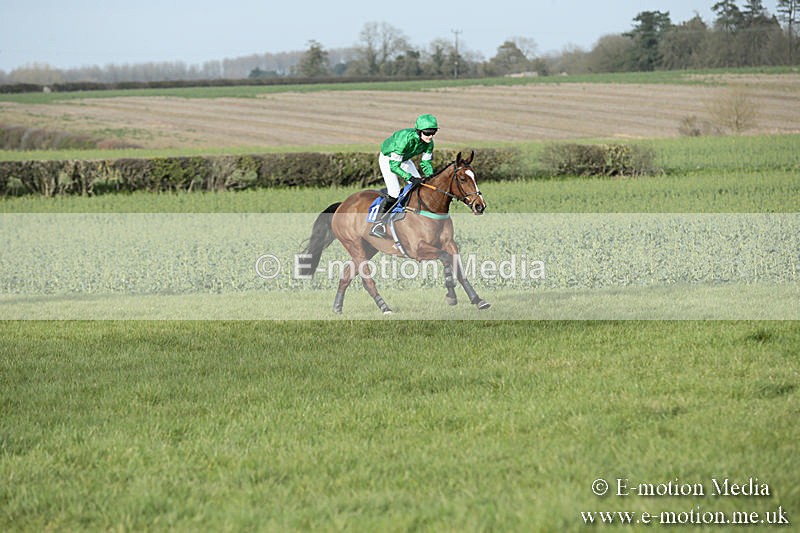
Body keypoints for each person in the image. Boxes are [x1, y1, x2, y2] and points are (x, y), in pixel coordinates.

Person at [369, 114, 438, 238]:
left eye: (433, 133)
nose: (430, 136)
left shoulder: (429, 143)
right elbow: (394, 166)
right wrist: (410, 178)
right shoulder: (404, 139)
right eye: (427, 133)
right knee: (394, 192)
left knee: (419, 188)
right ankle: (378, 224)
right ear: (419, 131)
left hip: (404, 160)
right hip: (388, 159)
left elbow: (425, 163)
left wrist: (431, 178)